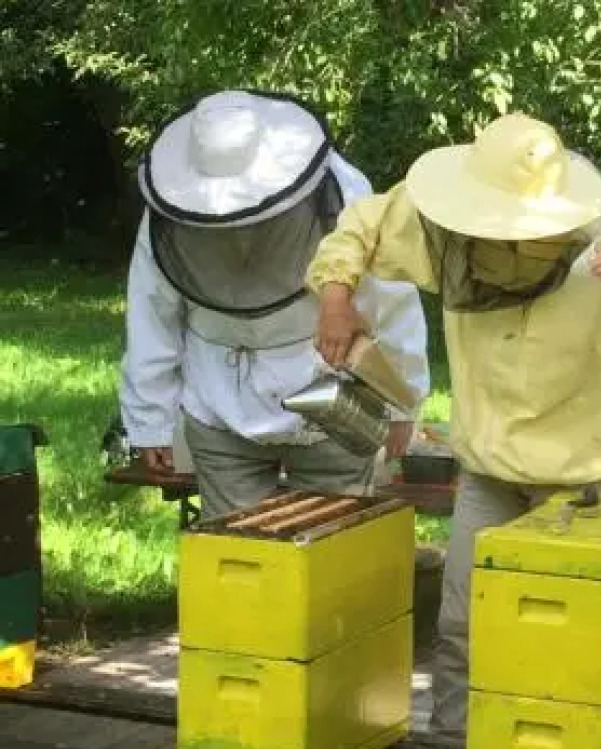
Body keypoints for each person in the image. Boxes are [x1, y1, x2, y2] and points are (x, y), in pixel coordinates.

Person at [307, 112, 601, 749]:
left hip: (578, 494)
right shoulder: (447, 237)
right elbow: (360, 224)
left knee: (563, 647)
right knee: (461, 626)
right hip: (487, 475)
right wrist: (336, 295)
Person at [119, 90, 429, 519]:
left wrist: (401, 400)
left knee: (331, 549)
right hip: (218, 400)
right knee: (242, 556)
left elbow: (391, 297)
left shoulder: (344, 189)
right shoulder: (172, 209)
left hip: (330, 395)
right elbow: (152, 312)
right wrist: (149, 421)